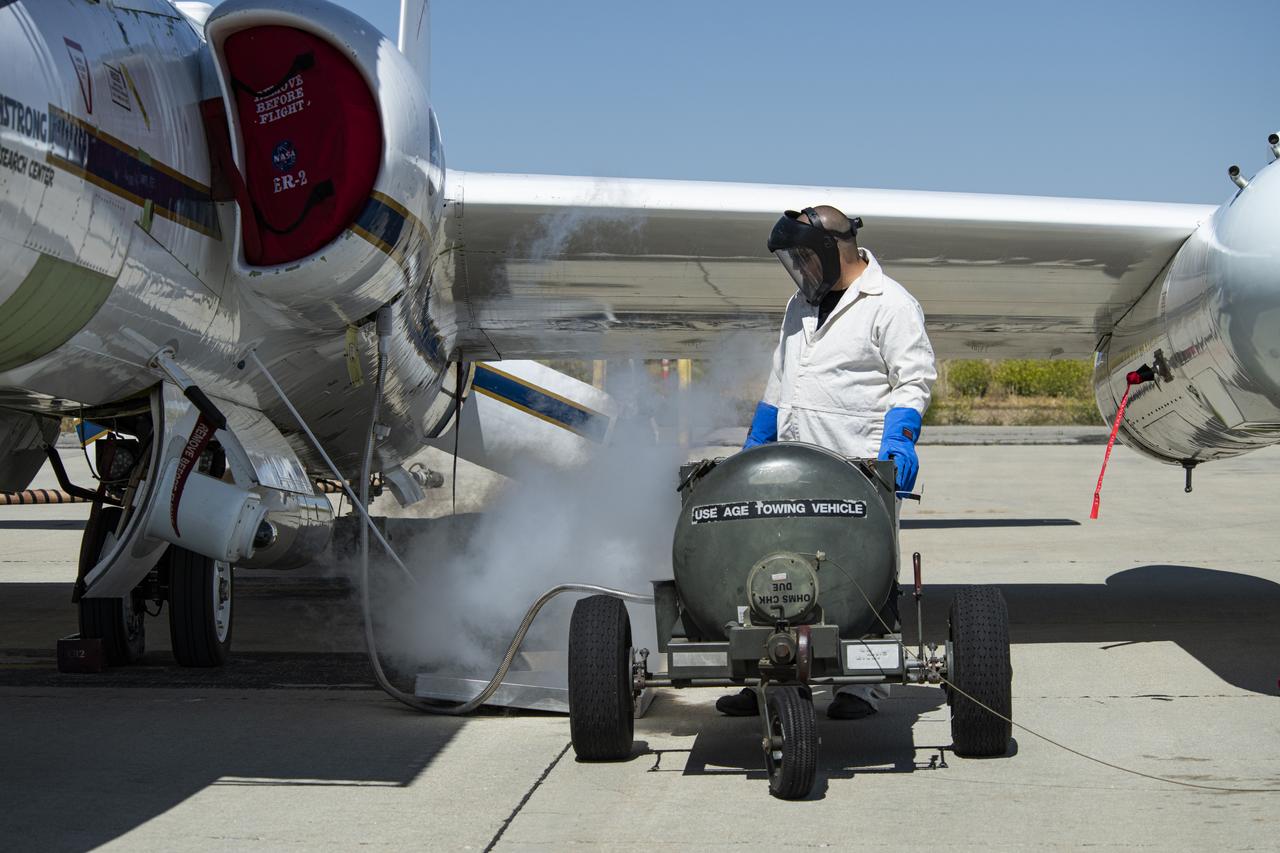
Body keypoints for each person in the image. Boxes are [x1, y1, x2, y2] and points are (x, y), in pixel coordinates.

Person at [717, 205, 937, 720]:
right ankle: (762, 681)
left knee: (863, 576)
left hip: (856, 469)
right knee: (768, 569)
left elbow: (913, 380)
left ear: (833, 250)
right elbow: (782, 380)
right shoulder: (800, 304)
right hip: (788, 470)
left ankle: (860, 686)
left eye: (804, 259)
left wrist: (900, 442)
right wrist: (757, 442)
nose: (800, 270)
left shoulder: (891, 304)